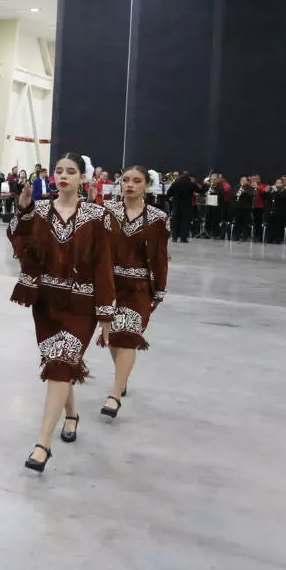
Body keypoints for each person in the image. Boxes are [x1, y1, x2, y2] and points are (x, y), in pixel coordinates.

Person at [9, 153, 116, 473]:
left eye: (71, 171)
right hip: (45, 303)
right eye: (58, 171)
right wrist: (23, 210)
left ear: (83, 178)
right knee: (60, 365)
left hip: (81, 306)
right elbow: (18, 244)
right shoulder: (39, 210)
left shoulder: (98, 215)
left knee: (60, 364)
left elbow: (104, 265)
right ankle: (71, 414)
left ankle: (42, 443)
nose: (63, 175)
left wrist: (106, 315)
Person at [100, 165, 169, 419]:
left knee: (128, 335)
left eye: (137, 181)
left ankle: (114, 394)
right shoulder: (107, 211)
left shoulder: (158, 218)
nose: (130, 184)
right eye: (126, 179)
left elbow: (160, 257)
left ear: (147, 185)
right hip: (109, 284)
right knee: (113, 336)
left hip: (139, 287)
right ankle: (122, 378)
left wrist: (159, 289)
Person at [166, 171, 199, 243]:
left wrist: (174, 196)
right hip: (187, 205)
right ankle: (183, 238)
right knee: (185, 221)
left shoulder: (176, 183)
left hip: (176, 205)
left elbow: (168, 193)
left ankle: (174, 237)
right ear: (188, 177)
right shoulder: (191, 184)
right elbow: (200, 191)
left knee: (175, 220)